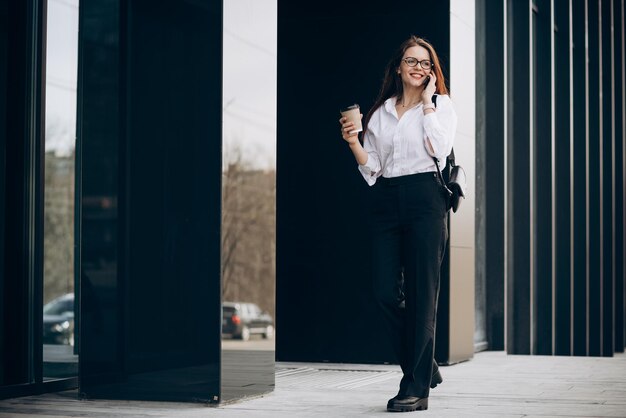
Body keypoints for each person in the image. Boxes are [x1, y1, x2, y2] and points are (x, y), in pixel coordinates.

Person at [339, 35, 457, 412]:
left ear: (432, 70)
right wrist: (354, 141)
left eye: (426, 62)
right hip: (388, 199)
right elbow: (372, 168)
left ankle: (415, 388)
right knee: (384, 291)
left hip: (426, 197)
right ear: (398, 66)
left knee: (424, 293)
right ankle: (426, 365)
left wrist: (426, 105)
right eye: (412, 60)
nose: (419, 67)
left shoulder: (441, 106)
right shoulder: (381, 111)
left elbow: (439, 149)